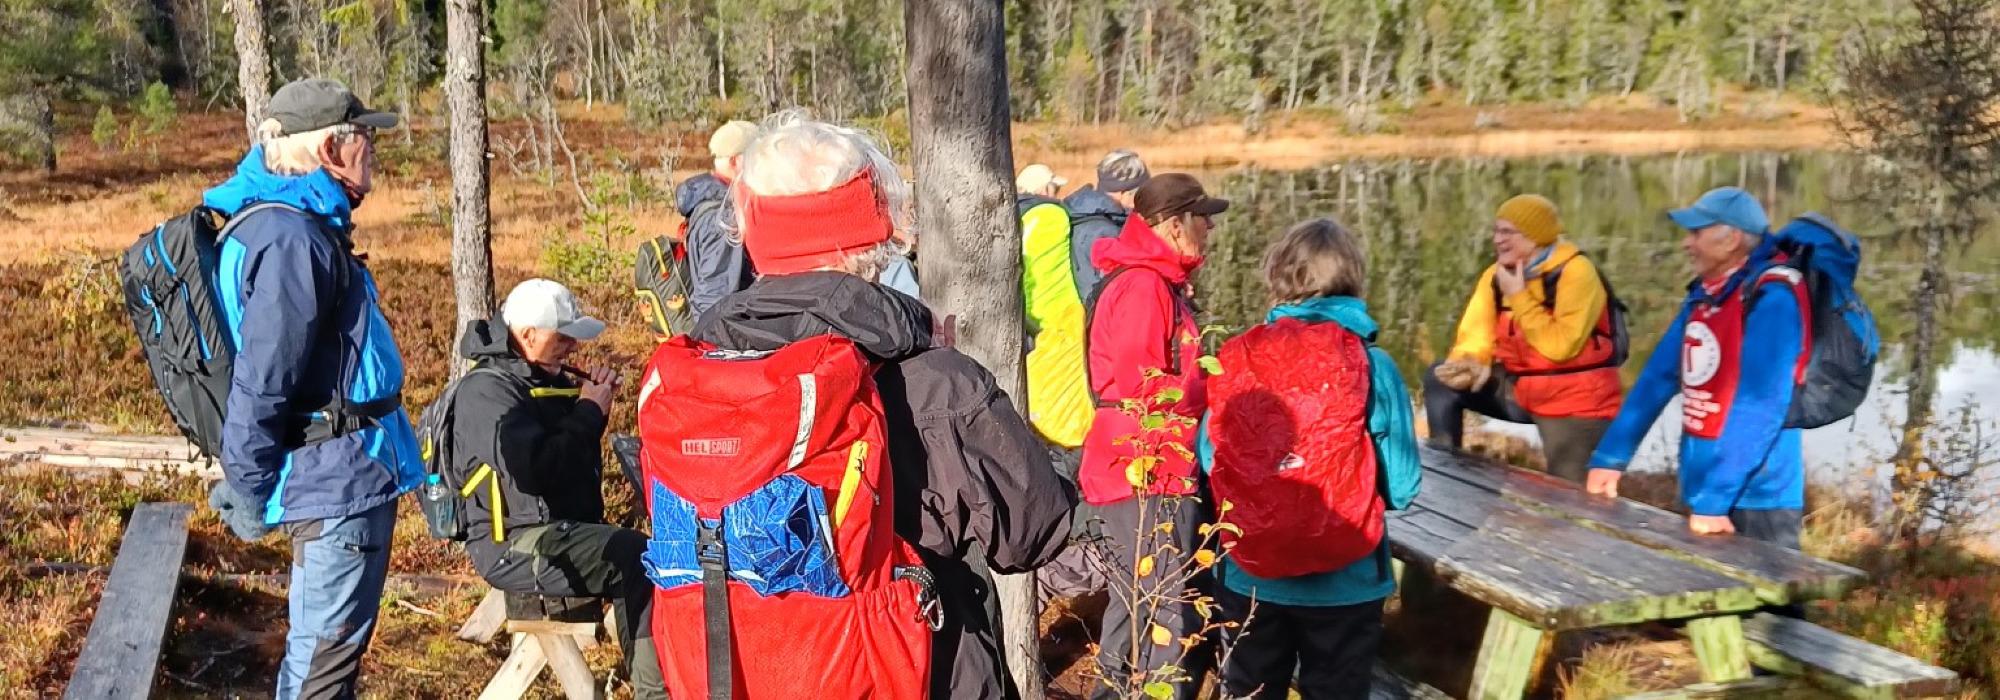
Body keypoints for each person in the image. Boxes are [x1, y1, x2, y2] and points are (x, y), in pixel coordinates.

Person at [672, 112, 1077, 700]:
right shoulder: (934, 383)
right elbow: (1032, 533)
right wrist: (963, 392)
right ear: (873, 233)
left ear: (754, 235)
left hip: (746, 674)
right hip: (914, 673)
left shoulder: (699, 371)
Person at [199, 77, 424, 699]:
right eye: (364, 140)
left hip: (341, 479)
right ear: (330, 149)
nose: (373, 152)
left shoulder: (286, 226)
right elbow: (263, 381)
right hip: (338, 488)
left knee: (322, 662)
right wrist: (247, 486)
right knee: (322, 671)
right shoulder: (294, 239)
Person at [1199, 218, 1422, 700]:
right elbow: (1403, 484)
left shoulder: (1239, 358)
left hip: (1251, 572)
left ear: (1279, 275)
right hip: (1347, 579)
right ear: (1352, 276)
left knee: (1249, 691)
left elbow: (1208, 456)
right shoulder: (1372, 364)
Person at [449, 279, 665, 699]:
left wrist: (589, 407)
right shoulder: (487, 392)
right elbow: (533, 474)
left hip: (549, 529)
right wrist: (586, 411)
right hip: (512, 545)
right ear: (528, 335)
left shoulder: (535, 377)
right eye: (562, 336)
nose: (571, 346)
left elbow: (564, 459)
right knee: (634, 556)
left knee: (645, 553)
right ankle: (655, 693)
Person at [1586, 187, 1808, 546]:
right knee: (1698, 594)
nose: (1686, 244)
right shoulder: (1706, 294)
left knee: (1769, 602)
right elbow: (1658, 378)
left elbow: (1761, 404)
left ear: (1731, 238)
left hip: (1757, 495)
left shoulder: (1774, 297)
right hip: (1702, 484)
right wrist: (1611, 456)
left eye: (1696, 233)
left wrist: (1715, 499)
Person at [1080, 172, 1226, 700]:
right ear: (1173, 224)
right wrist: (1213, 380)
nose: (1209, 226)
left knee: (1135, 600)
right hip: (1148, 464)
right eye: (1202, 216)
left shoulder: (1147, 278)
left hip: (1129, 461)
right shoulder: (1144, 285)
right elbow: (1148, 387)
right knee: (1171, 608)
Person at [1426, 194, 1626, 482]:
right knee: (1439, 378)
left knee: (1571, 502)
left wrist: (1518, 296)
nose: (1497, 240)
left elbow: (1560, 347)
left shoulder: (1577, 273)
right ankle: (1446, 473)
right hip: (1523, 389)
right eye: (1496, 230)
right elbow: (1474, 334)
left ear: (1536, 237)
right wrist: (1468, 362)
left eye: (1508, 232)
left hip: (1575, 403)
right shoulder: (1495, 275)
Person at [676, 120, 760, 317]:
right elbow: (714, 300)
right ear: (734, 162)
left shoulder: (711, 200)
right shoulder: (724, 217)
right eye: (757, 157)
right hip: (723, 336)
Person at [1064, 149, 1150, 297]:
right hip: (1096, 314)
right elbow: (1120, 291)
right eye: (1142, 193)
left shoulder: (1079, 212)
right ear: (1126, 192)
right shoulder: (1106, 232)